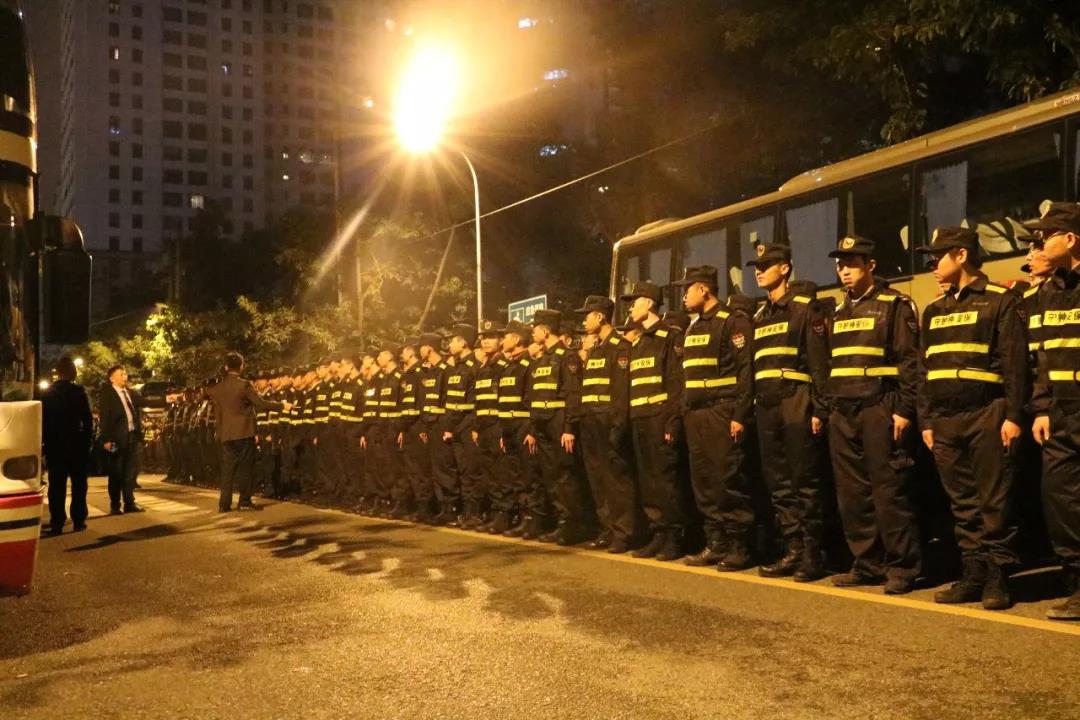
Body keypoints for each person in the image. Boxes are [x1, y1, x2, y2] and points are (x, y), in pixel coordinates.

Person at [916, 226, 1028, 610]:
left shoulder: (1000, 301)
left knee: (994, 501)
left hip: (987, 413)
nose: (932, 264)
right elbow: (924, 371)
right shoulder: (934, 309)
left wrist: (1014, 415)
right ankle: (974, 573)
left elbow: (1015, 365)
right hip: (944, 420)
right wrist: (926, 421)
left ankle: (998, 577)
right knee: (962, 503)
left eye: (937, 257)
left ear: (961, 255)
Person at [824, 236, 922, 594]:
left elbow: (909, 361)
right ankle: (867, 563)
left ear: (870, 266)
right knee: (853, 493)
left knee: (889, 490)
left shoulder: (894, 305)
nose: (844, 271)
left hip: (880, 405)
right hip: (844, 410)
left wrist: (904, 410)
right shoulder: (838, 311)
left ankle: (903, 567)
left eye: (852, 264)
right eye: (840, 265)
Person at [748, 245, 831, 581]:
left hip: (796, 402)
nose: (759, 271)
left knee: (804, 481)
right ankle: (793, 549)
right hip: (767, 406)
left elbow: (819, 364)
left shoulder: (804, 310)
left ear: (785, 269)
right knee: (779, 483)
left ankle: (813, 554)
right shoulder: (760, 317)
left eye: (766, 265)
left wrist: (819, 408)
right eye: (757, 266)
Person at [1025, 202, 1080, 621]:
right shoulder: (1049, 291)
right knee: (1060, 497)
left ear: (1071, 239)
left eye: (1047, 236)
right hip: (1061, 412)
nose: (1040, 244)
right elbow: (1042, 356)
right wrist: (1042, 408)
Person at [620, 281, 689, 561]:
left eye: (634, 302)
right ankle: (658, 533)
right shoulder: (637, 344)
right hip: (640, 420)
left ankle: (674, 536)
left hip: (660, 419)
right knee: (648, 481)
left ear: (649, 303)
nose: (630, 308)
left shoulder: (669, 337)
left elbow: (676, 384)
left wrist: (672, 422)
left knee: (666, 481)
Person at [574, 295, 637, 552]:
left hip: (608, 423)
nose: (584, 321)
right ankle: (607, 529)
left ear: (600, 317)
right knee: (598, 479)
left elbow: (621, 393)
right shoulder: (596, 349)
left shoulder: (619, 348)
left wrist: (617, 427)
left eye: (587, 316)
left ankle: (624, 533)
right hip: (590, 424)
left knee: (616, 481)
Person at [204, 352, 291, 512]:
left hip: (225, 433)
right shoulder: (244, 386)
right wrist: (281, 406)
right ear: (241, 367)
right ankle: (244, 501)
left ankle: (224, 503)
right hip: (244, 432)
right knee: (246, 468)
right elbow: (260, 403)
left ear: (225, 367)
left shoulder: (218, 388)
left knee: (227, 470)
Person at [41, 356, 93, 534]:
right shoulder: (78, 392)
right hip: (76, 444)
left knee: (56, 485)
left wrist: (44, 444)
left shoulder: (48, 393)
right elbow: (87, 420)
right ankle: (78, 519)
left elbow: (42, 421)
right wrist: (86, 441)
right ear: (72, 372)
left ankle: (57, 521)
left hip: (55, 444)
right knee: (79, 484)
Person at [97, 365, 145, 515]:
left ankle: (129, 502)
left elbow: (145, 401)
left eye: (125, 374)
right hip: (116, 439)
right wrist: (106, 440)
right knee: (116, 472)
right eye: (121, 374)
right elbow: (104, 419)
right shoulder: (108, 395)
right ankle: (115, 505)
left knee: (130, 472)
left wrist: (167, 398)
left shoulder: (130, 393)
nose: (125, 376)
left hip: (132, 436)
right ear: (112, 378)